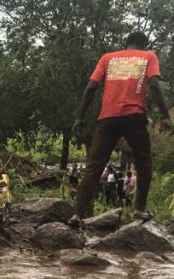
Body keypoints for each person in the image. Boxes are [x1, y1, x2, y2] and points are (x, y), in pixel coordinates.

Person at [70, 31, 171, 225]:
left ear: (126, 43)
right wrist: (166, 116)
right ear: (143, 44)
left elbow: (91, 87)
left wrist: (80, 117)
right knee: (144, 162)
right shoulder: (148, 56)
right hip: (134, 116)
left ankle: (77, 214)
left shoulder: (108, 58)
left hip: (107, 117)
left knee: (94, 166)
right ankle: (139, 210)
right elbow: (155, 86)